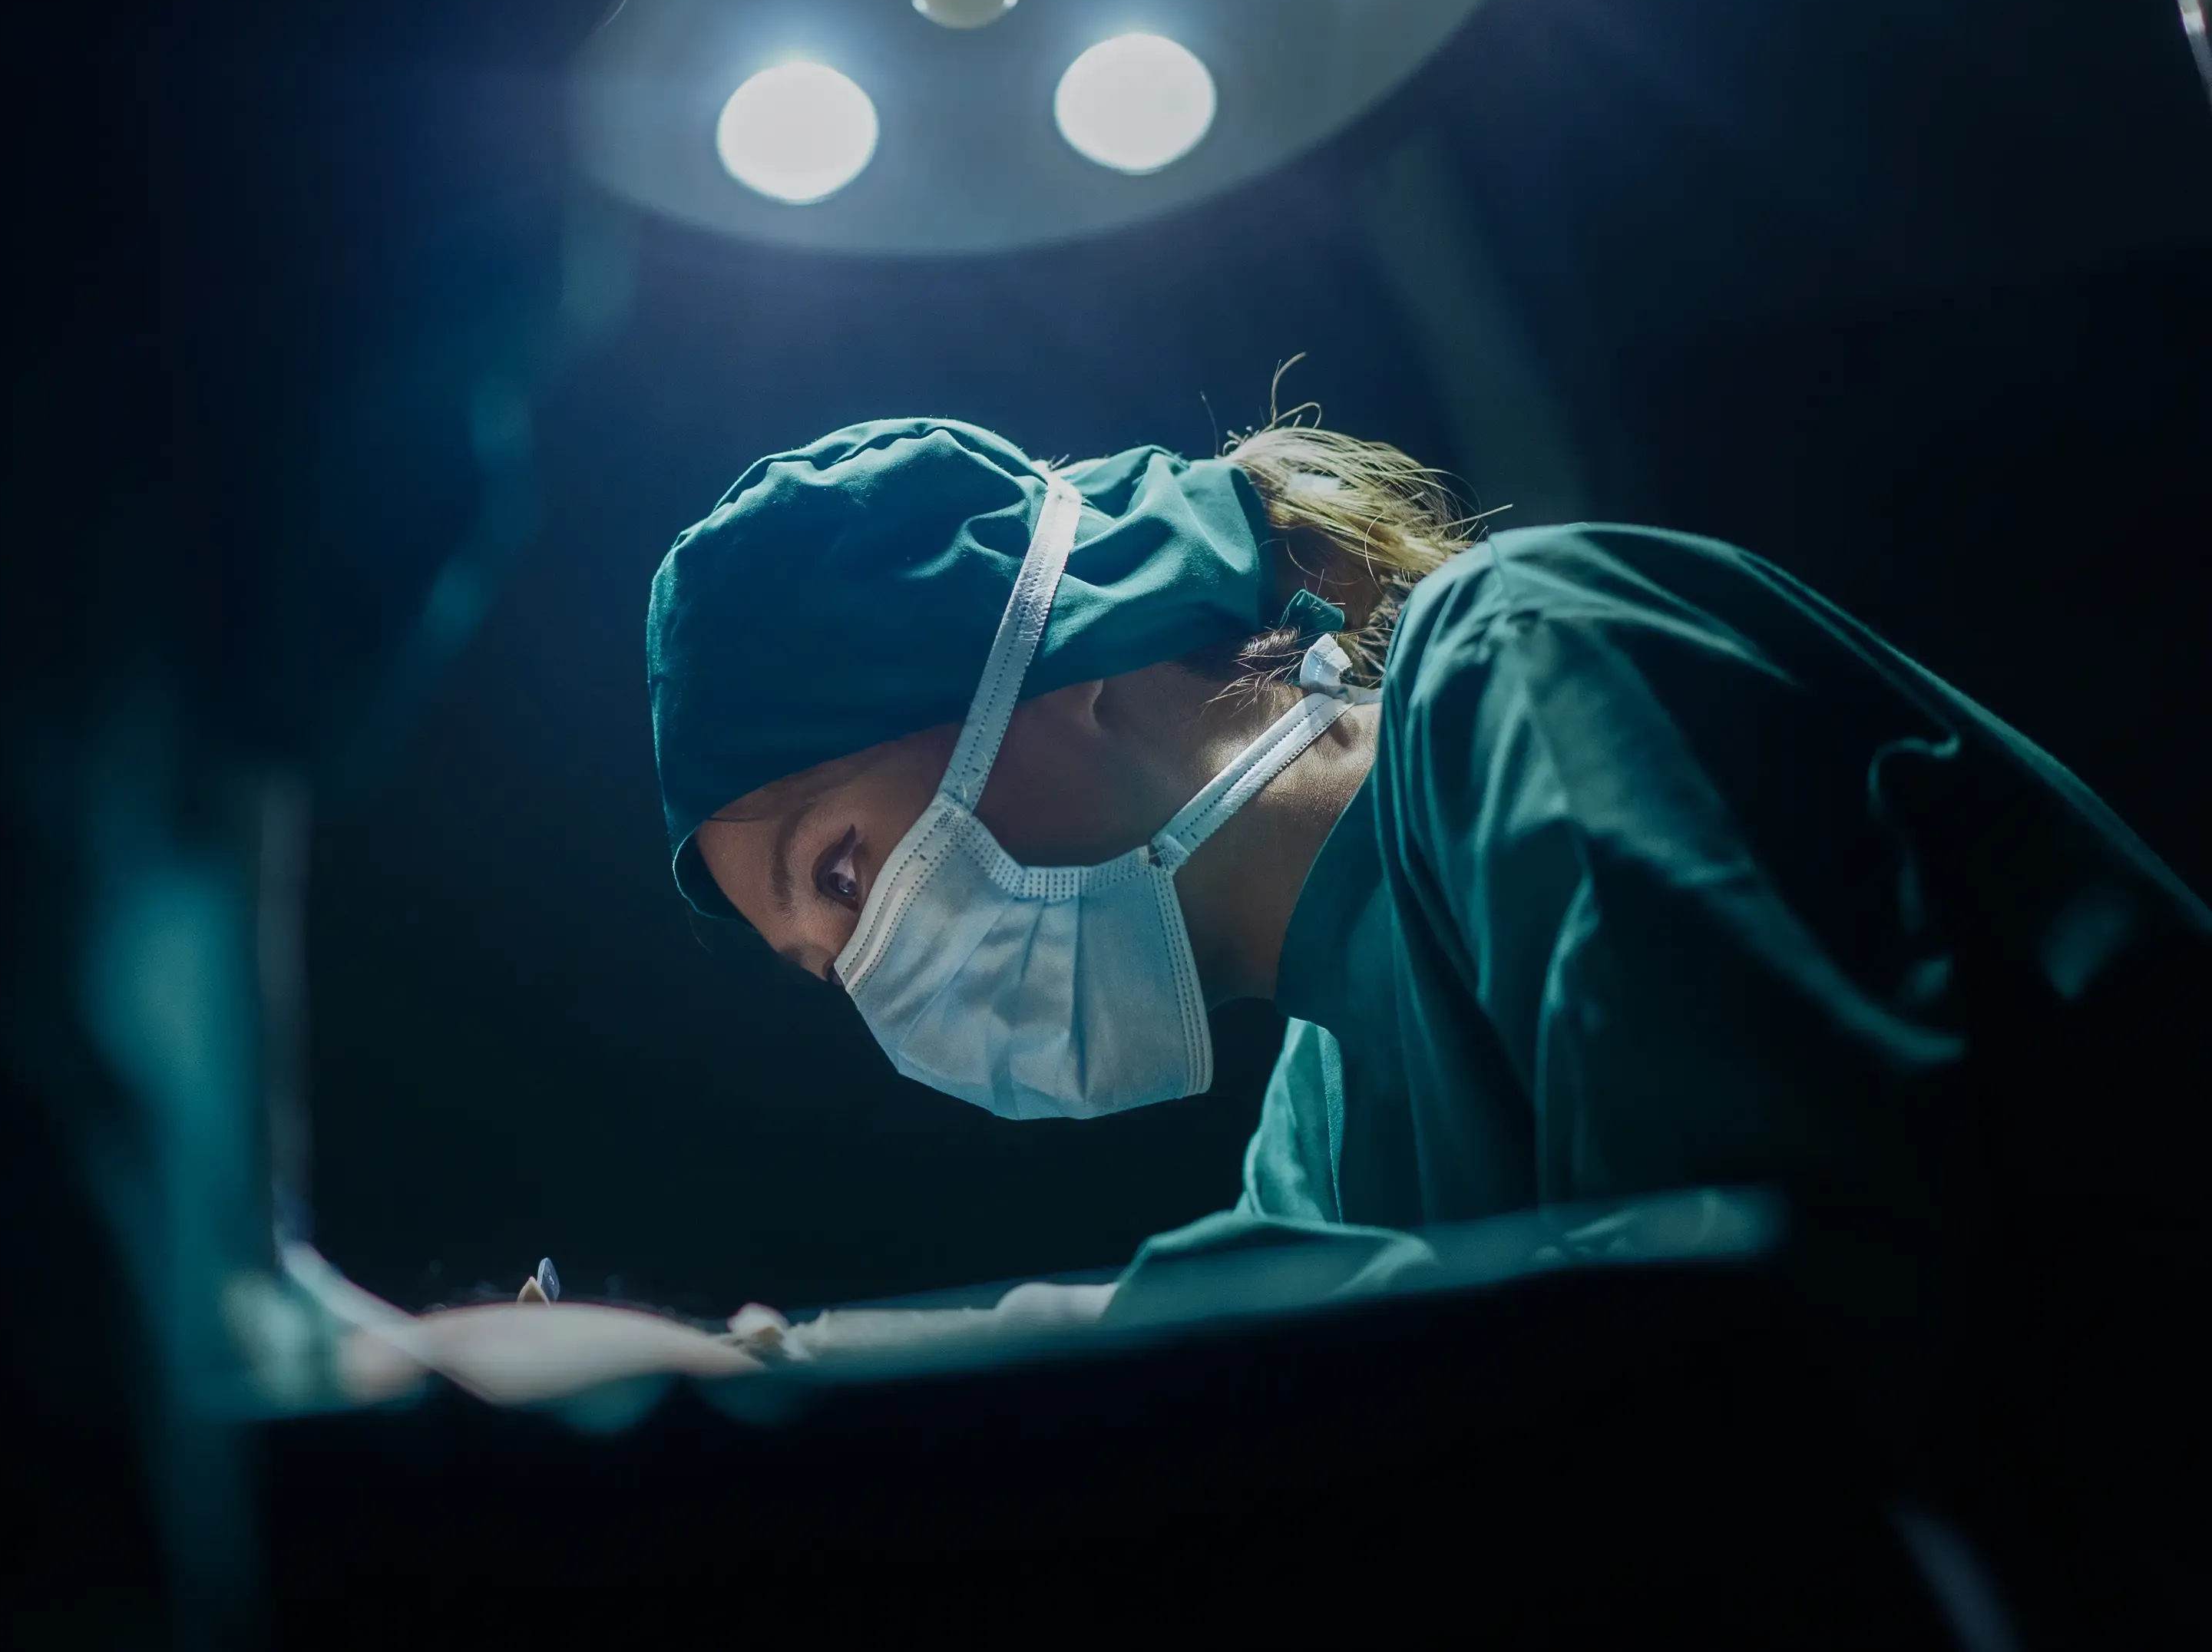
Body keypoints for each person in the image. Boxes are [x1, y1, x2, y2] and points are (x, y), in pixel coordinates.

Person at [646, 411, 2211, 1631]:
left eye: (840, 871)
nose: (869, 973)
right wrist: (763, 1382)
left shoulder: (1533, 654)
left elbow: (1773, 1368)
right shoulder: (1320, 1131)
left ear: (1063, 656)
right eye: (818, 965)